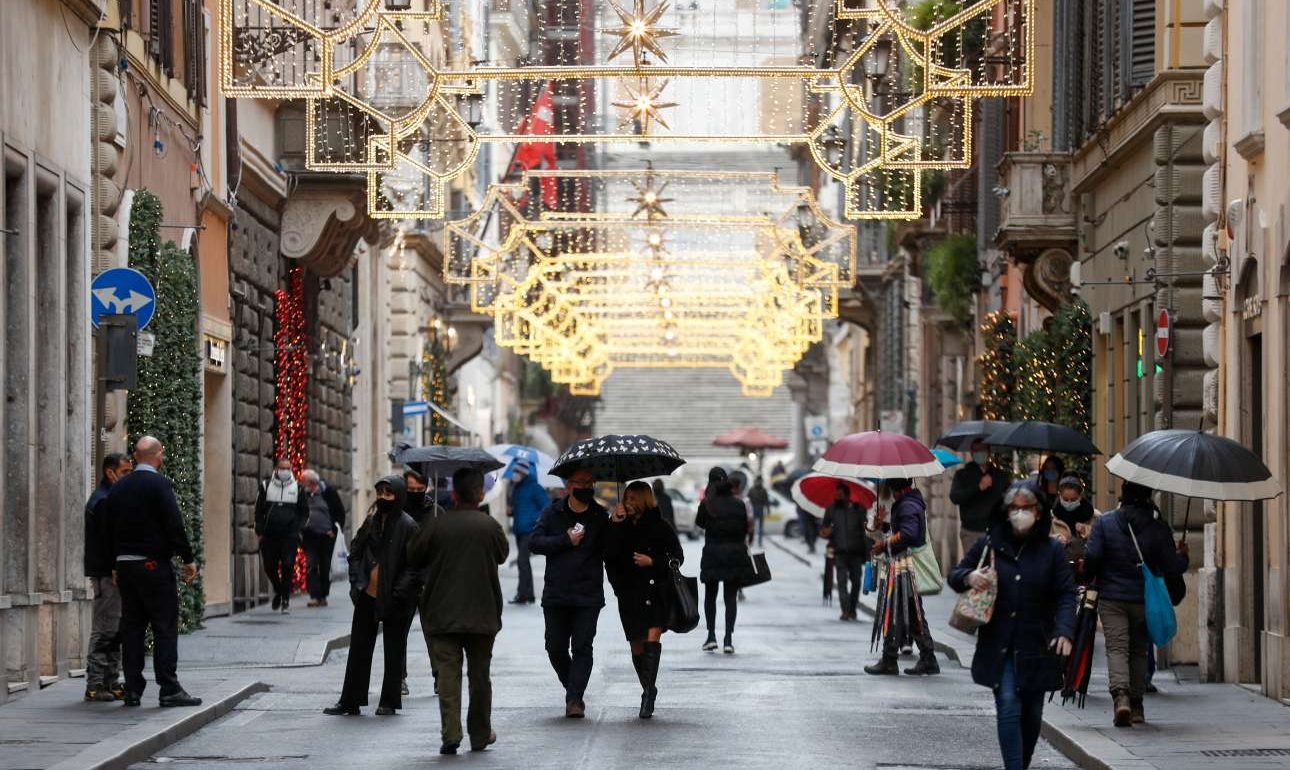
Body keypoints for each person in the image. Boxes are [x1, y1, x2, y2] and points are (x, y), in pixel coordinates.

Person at [949, 482, 1076, 770]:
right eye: (1014, 508)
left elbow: (1067, 593)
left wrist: (1065, 630)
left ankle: (1021, 764)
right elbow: (955, 575)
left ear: (1038, 511)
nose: (1020, 513)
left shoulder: (1052, 551)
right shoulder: (989, 544)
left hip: (1037, 644)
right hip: (999, 645)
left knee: (1032, 715)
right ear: (1006, 511)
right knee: (1007, 704)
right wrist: (970, 576)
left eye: (1026, 508)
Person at [406, 467, 508, 755]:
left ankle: (451, 733)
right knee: (480, 677)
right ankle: (479, 734)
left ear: (452, 493)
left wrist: (432, 528)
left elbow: (413, 555)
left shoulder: (437, 524)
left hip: (441, 611)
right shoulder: (489, 526)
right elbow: (502, 554)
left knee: (448, 676)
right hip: (483, 612)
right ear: (481, 493)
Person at [106, 436, 201, 707]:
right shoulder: (159, 484)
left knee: (132, 627)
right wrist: (188, 558)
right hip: (152, 565)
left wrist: (115, 564)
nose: (163, 457)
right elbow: (173, 522)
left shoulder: (119, 487)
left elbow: (108, 528)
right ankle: (169, 688)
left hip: (126, 565)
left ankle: (133, 688)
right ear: (157, 454)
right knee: (164, 626)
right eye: (162, 453)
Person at [1083, 481, 1188, 727]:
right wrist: (1183, 556)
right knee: (1140, 649)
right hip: (1144, 599)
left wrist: (1087, 574)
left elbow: (1093, 557)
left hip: (1112, 597)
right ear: (1149, 496)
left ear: (1123, 495)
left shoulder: (1105, 523)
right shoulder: (1159, 527)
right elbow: (1171, 567)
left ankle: (1121, 698)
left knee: (1117, 648)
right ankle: (1137, 705)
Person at [324, 476, 424, 717]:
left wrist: (399, 592)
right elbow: (355, 552)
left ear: (398, 496)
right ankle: (350, 700)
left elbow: (416, 566)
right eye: (380, 493)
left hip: (396, 599)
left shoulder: (409, 526)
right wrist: (356, 582)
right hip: (367, 595)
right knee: (358, 648)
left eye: (389, 493)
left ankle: (389, 701)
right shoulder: (371, 522)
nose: (383, 498)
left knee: (394, 650)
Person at [529, 467, 609, 718]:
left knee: (583, 647)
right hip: (557, 593)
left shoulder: (600, 516)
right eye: (581, 482)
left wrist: (619, 524)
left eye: (590, 482)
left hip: (588, 594)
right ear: (569, 485)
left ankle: (575, 699)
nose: (586, 487)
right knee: (555, 647)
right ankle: (572, 688)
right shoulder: (553, 512)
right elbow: (535, 543)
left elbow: (612, 551)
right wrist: (564, 540)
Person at [606, 481, 684, 719]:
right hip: (629, 594)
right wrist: (614, 524)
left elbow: (677, 557)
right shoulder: (620, 525)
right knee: (636, 645)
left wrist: (653, 562)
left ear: (643, 499)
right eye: (626, 497)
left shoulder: (660, 526)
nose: (627, 502)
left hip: (655, 592)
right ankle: (648, 688)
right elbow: (609, 556)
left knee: (651, 640)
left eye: (632, 498)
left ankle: (647, 696)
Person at [864, 477, 941, 676]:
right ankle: (925, 658)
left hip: (905, 568)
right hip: (901, 567)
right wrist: (883, 527)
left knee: (900, 610)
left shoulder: (908, 504)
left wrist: (884, 543)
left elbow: (908, 534)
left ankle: (892, 659)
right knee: (909, 612)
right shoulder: (908, 502)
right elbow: (902, 531)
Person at [83, 452, 132, 702]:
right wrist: (114, 569)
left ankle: (111, 681)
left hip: (111, 574)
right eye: (125, 472)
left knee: (114, 630)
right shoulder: (102, 501)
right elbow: (108, 541)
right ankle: (95, 684)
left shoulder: (110, 497)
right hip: (106, 575)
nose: (128, 477)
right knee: (104, 630)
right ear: (110, 472)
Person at [696, 467, 751, 654]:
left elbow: (700, 523)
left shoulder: (707, 504)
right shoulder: (739, 504)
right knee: (730, 598)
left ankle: (711, 636)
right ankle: (728, 639)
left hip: (713, 553)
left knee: (710, 596)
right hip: (734, 554)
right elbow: (745, 529)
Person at [254, 458, 309, 613]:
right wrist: (259, 530)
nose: (285, 471)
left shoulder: (298, 488)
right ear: (276, 469)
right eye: (282, 468)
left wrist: (298, 529)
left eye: (287, 468)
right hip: (270, 535)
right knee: (269, 566)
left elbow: (304, 512)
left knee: (287, 565)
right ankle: (278, 590)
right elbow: (258, 510)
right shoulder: (265, 487)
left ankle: (285, 598)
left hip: (289, 535)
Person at [949, 439, 1010, 559]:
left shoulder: (1000, 475)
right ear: (971, 453)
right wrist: (978, 487)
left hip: (995, 531)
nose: (979, 453)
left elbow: (1008, 499)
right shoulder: (963, 475)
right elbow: (955, 497)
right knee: (975, 569)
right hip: (971, 531)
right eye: (976, 450)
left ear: (989, 452)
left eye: (982, 450)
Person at [821, 482, 869, 621]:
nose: (837, 497)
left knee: (856, 582)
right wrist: (826, 531)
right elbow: (823, 529)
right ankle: (845, 610)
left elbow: (865, 531)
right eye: (836, 494)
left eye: (840, 495)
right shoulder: (831, 510)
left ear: (847, 496)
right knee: (841, 582)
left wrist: (868, 554)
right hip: (839, 552)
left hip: (856, 553)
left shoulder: (858, 509)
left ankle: (852, 609)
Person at [300, 469, 346, 608]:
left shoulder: (328, 492)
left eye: (304, 481)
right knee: (311, 565)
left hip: (326, 537)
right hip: (309, 536)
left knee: (325, 567)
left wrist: (334, 530)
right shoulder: (303, 494)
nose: (302, 483)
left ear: (312, 482)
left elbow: (340, 512)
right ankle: (314, 596)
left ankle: (323, 595)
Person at [508, 457, 549, 605]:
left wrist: (534, 521)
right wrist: (510, 511)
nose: (515, 474)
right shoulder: (516, 487)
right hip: (519, 529)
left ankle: (523, 594)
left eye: (517, 471)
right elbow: (518, 507)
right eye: (514, 471)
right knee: (523, 563)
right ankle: (528, 594)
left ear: (524, 472)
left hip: (529, 530)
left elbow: (546, 507)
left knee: (522, 561)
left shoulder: (534, 487)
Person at [748, 477, 770, 548]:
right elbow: (766, 501)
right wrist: (768, 509)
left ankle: (752, 541)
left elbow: (748, 500)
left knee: (753, 526)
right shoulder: (763, 490)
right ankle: (759, 542)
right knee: (759, 526)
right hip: (759, 508)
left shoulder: (751, 490)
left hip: (755, 508)